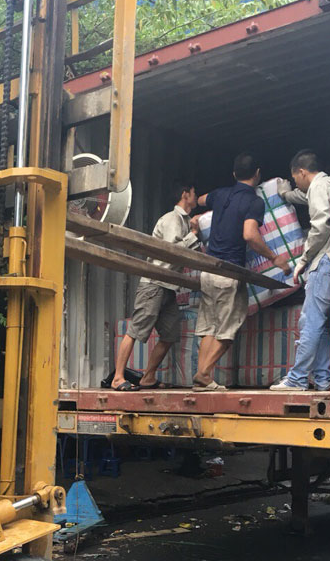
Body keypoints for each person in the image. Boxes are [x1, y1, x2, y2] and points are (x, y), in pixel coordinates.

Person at [193, 153, 291, 392]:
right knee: (228, 329)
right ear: (257, 174)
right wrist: (275, 258)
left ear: (234, 174)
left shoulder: (220, 194)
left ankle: (202, 379)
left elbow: (201, 199)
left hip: (208, 271)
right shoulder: (254, 202)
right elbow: (250, 234)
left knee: (209, 328)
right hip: (229, 272)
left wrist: (200, 213)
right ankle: (203, 374)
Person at [111, 181, 201, 391]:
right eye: (194, 192)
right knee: (136, 329)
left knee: (170, 335)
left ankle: (148, 377)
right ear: (185, 194)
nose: (196, 196)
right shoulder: (172, 219)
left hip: (169, 287)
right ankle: (117, 377)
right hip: (154, 284)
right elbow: (171, 251)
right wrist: (194, 234)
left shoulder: (184, 222)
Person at [270, 150, 330, 392]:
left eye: (295, 178)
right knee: (322, 325)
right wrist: (286, 194)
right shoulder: (329, 184)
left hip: (324, 261)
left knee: (310, 321)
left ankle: (297, 378)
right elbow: (303, 196)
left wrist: (303, 260)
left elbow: (321, 225)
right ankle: (323, 379)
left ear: (302, 172)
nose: (296, 183)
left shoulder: (318, 187)